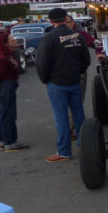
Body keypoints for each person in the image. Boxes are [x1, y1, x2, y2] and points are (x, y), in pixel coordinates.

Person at [36, 8, 91, 162]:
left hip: (57, 83)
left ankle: (64, 151)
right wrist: (78, 72)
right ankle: (84, 144)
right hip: (74, 81)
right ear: (65, 18)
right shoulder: (78, 36)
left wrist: (45, 78)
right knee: (78, 114)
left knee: (61, 118)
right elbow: (86, 60)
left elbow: (41, 62)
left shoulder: (49, 37)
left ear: (50, 21)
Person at [65, 15, 104, 139]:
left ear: (72, 23)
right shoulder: (51, 36)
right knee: (62, 106)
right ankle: (68, 130)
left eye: (67, 22)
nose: (64, 24)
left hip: (78, 72)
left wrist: (99, 54)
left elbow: (97, 44)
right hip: (58, 76)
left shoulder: (80, 34)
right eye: (61, 22)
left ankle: (75, 130)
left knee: (76, 102)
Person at [0, 32, 28, 152]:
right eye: (11, 40)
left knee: (3, 113)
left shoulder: (8, 55)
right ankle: (11, 143)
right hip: (5, 86)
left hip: (6, 85)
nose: (15, 41)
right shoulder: (2, 58)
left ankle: (3, 141)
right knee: (8, 114)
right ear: (5, 44)